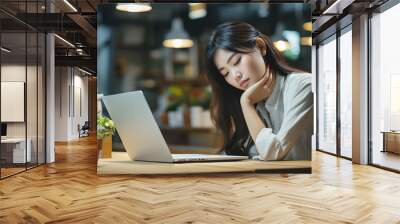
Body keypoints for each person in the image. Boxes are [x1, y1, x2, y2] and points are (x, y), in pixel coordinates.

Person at [206, 21, 313, 161]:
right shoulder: (257, 100)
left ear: (261, 46)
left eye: (237, 61)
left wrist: (246, 103)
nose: (235, 76)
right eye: (225, 73)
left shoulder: (303, 85)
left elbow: (273, 153)